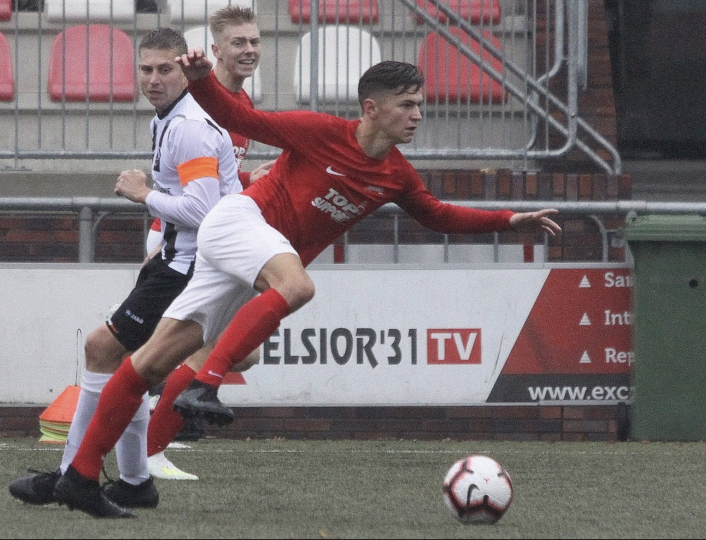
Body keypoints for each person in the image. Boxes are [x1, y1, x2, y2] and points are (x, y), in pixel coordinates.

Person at [49, 54, 562, 519]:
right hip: (237, 222)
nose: (418, 115)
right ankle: (207, 384)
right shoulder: (321, 132)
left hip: (252, 253)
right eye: (407, 105)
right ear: (371, 108)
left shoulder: (397, 175)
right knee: (298, 287)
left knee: (150, 363)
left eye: (420, 105)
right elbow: (240, 119)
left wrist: (508, 220)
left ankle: (82, 477)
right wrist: (202, 81)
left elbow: (437, 215)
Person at [7, 28, 242, 518]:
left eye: (166, 69)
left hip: (190, 266)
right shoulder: (169, 120)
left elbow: (202, 211)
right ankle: (134, 482)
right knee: (131, 363)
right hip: (178, 259)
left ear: (185, 72)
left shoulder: (189, 127)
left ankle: (73, 475)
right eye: (146, 69)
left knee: (102, 349)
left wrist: (142, 194)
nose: (154, 79)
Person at [144, 5, 274, 483]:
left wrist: (247, 179)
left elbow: (214, 173)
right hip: (183, 236)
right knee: (204, 343)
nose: (249, 50)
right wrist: (160, 241)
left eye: (255, 41)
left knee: (243, 351)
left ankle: (157, 410)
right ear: (216, 50)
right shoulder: (199, 99)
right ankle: (156, 425)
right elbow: (186, 178)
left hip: (210, 234)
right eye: (239, 42)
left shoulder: (241, 104)